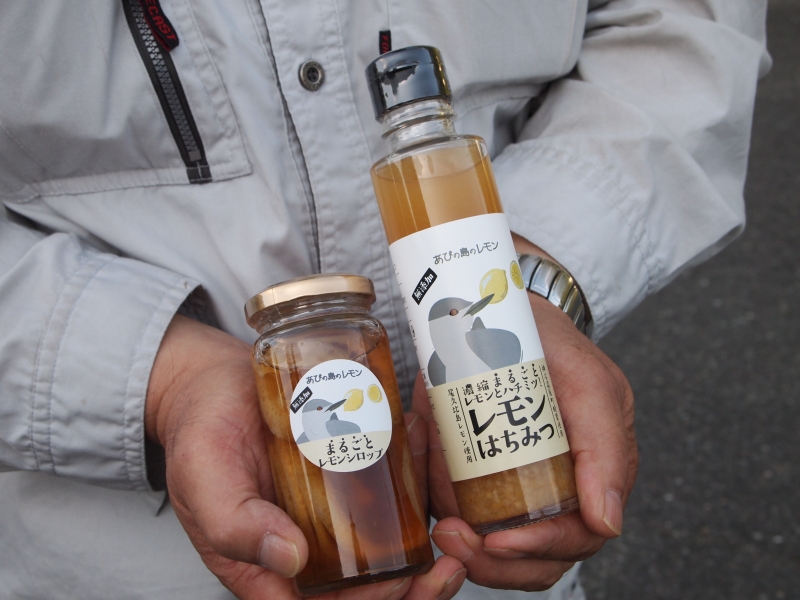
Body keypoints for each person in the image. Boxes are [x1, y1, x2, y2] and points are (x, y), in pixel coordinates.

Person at [0, 1, 769, 599]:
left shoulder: (443, 160)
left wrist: (541, 269)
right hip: (125, 558)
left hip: (487, 543)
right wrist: (162, 377)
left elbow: (684, 27)